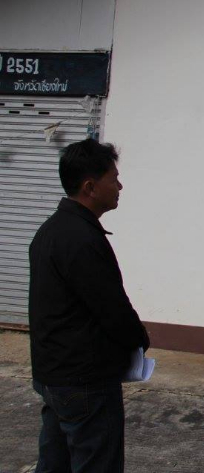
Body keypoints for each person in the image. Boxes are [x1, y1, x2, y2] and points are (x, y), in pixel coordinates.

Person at [29, 138, 150, 472]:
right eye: (114, 179)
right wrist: (139, 339)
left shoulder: (51, 231)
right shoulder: (81, 239)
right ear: (90, 187)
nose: (119, 186)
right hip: (84, 382)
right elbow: (112, 310)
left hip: (55, 376)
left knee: (54, 464)